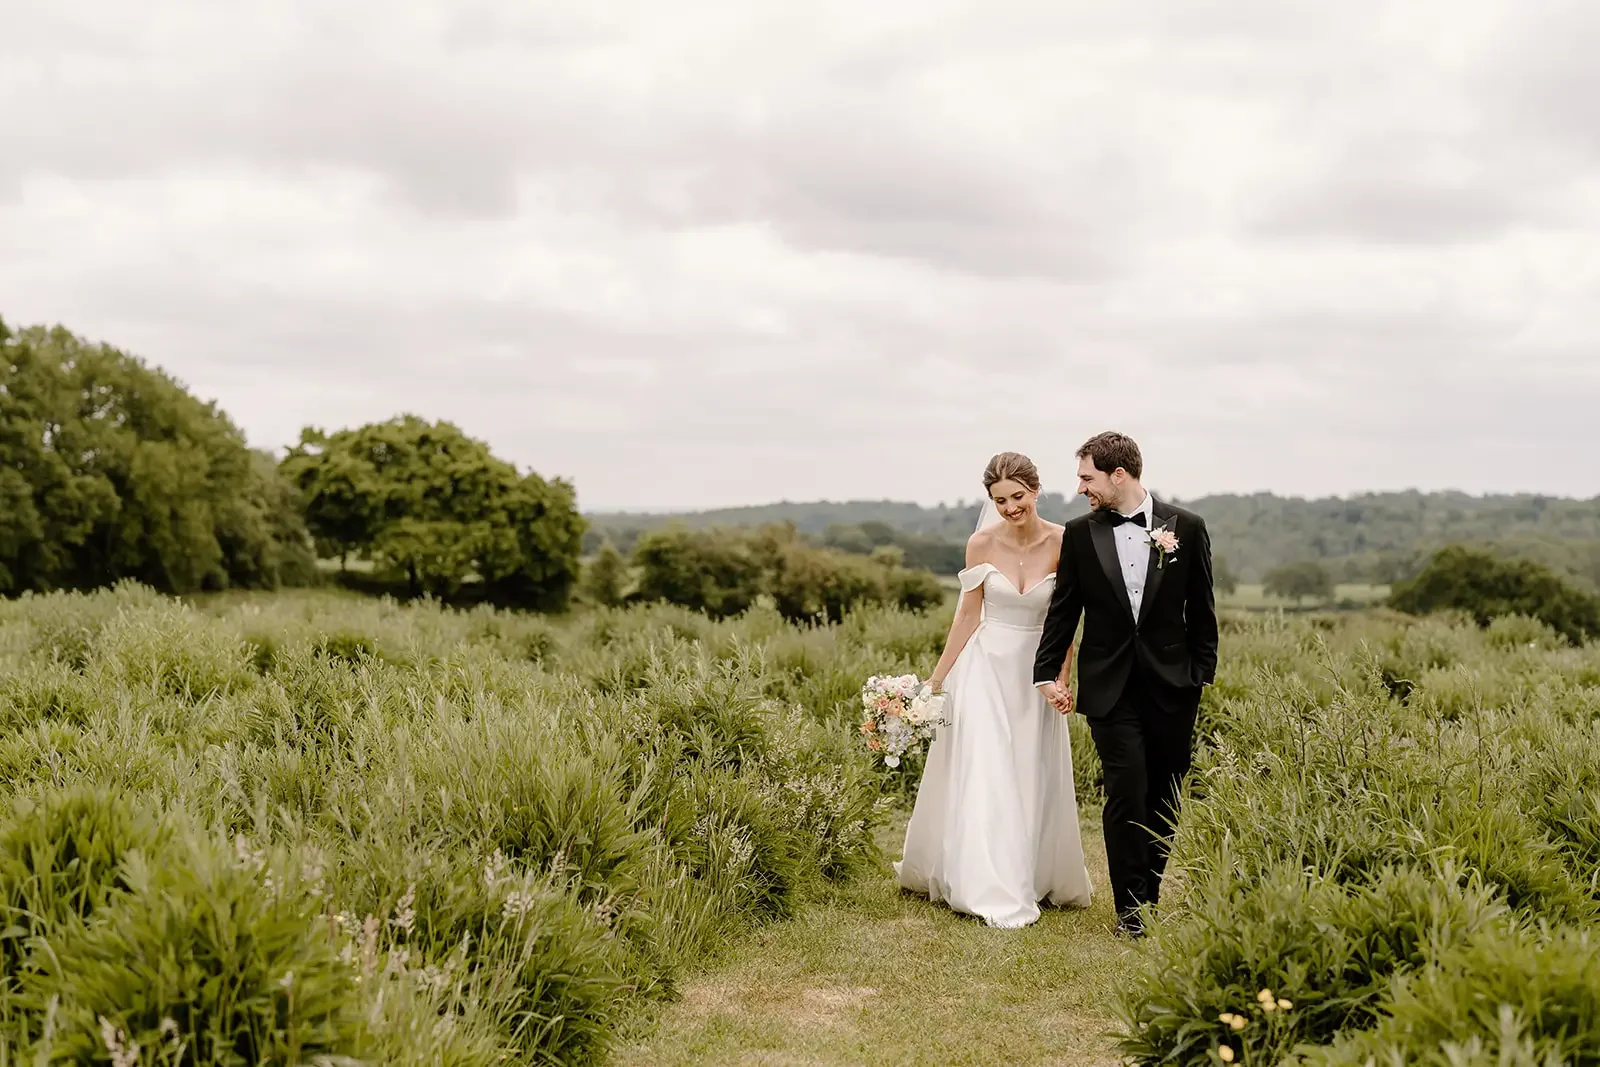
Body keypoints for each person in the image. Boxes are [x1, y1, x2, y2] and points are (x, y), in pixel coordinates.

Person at [895, 452, 1093, 928]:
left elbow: (1063, 621)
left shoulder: (1066, 543)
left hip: (1035, 674)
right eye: (999, 500)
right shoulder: (980, 544)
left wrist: (1061, 679)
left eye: (1017, 497)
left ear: (1036, 490)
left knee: (1027, 769)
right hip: (984, 667)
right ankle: (986, 882)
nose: (1009, 508)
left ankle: (1028, 870)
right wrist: (936, 681)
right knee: (988, 770)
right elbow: (967, 616)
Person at [1035, 432, 1217, 938]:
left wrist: (1201, 675)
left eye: (1086, 477)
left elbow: (1202, 609)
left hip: (1173, 686)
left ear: (1119, 475)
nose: (1079, 488)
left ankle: (1150, 892)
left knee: (1164, 795)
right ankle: (1130, 912)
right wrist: (1046, 671)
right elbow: (1064, 609)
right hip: (1109, 687)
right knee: (1125, 791)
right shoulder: (1079, 534)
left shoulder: (1189, 527)